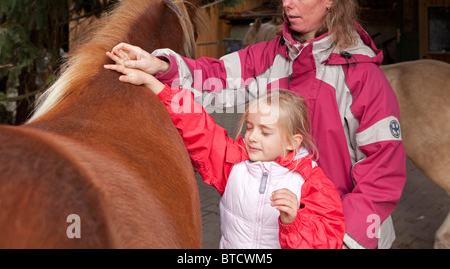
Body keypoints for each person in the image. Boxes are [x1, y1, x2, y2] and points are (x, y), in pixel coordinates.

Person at [105, 0, 406, 249]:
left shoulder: (364, 78)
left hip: (334, 236)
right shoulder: (269, 56)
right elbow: (216, 77)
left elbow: (383, 171)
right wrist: (162, 66)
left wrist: (346, 239)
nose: (287, 3)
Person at [104, 54, 345, 248]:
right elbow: (198, 125)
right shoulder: (235, 163)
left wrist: (293, 222)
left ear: (293, 142)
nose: (252, 137)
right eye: (250, 127)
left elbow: (328, 242)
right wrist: (154, 83)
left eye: (265, 132)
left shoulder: (313, 185)